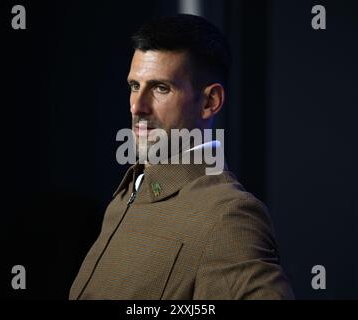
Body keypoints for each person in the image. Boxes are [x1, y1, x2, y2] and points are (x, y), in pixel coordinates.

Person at [69, 14, 294, 300]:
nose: (137, 106)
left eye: (161, 88)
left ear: (210, 102)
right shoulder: (123, 198)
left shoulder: (228, 215)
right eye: (134, 86)